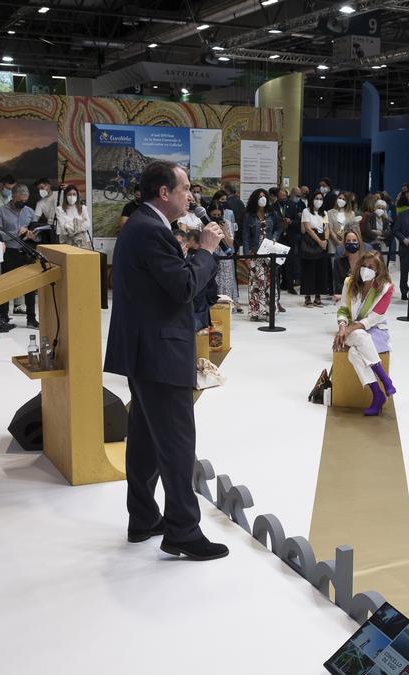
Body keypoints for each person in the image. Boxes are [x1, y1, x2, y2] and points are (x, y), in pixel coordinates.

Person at [103, 159, 228, 561]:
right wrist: (206, 251)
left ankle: (143, 518)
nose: (191, 195)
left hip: (145, 349)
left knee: (144, 440)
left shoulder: (144, 227)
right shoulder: (149, 231)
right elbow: (184, 287)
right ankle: (183, 531)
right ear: (164, 193)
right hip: (159, 351)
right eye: (185, 188)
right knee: (176, 443)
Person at [334, 251, 396, 417]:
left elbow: (375, 317)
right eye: (363, 266)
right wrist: (342, 327)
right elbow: (343, 309)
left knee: (354, 353)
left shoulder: (386, 288)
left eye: (370, 267)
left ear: (378, 270)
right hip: (354, 331)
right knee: (360, 336)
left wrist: (350, 329)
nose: (365, 269)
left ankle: (377, 395)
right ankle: (385, 380)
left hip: (375, 329)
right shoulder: (350, 282)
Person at [0, 184, 39, 329]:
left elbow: (36, 235)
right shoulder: (0, 211)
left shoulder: (30, 211)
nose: (22, 204)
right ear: (13, 196)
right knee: (5, 285)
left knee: (30, 286)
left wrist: (33, 235)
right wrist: (16, 233)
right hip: (9, 252)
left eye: (25, 201)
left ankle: (31, 318)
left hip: (26, 251)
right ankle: (3, 316)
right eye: (20, 201)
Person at [243, 188, 279, 318]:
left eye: (264, 196)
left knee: (269, 282)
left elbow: (277, 229)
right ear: (255, 199)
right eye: (260, 196)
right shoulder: (249, 215)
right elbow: (246, 237)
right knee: (256, 283)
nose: (262, 198)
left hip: (269, 253)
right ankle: (256, 312)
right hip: (254, 253)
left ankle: (270, 310)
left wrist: (275, 238)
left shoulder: (272, 213)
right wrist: (246, 255)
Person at [206, 203, 240, 313]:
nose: (216, 217)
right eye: (214, 215)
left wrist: (224, 230)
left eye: (219, 214)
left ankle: (227, 309)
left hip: (225, 257)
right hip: (211, 256)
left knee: (226, 282)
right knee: (213, 281)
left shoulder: (228, 223)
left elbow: (231, 243)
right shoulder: (205, 224)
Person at [301, 190, 331, 307]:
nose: (319, 201)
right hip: (310, 241)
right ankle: (307, 296)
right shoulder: (306, 211)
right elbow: (307, 228)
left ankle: (318, 296)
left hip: (322, 241)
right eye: (316, 198)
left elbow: (327, 228)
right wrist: (319, 241)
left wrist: (325, 241)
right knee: (309, 270)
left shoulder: (324, 213)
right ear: (312, 199)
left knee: (321, 270)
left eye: (321, 199)